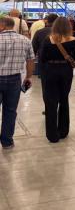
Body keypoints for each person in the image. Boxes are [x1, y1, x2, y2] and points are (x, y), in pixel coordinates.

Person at [39, 16, 75, 143]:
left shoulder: (48, 39)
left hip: (50, 71)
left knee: (51, 103)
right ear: (68, 27)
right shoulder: (72, 40)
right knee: (64, 100)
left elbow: (42, 58)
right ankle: (63, 131)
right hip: (66, 72)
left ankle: (52, 135)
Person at [0, 16, 35, 149]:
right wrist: (28, 77)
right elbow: (30, 60)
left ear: (2, 26)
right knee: (10, 111)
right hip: (14, 80)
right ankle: (7, 141)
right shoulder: (25, 40)